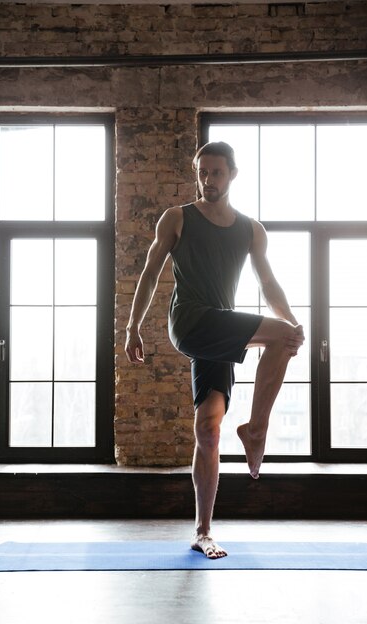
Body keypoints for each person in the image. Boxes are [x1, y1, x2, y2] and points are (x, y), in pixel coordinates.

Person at [125, 141, 304, 559]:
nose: (208, 180)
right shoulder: (178, 219)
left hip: (221, 331)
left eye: (216, 172)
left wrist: (292, 320)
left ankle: (203, 531)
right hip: (190, 322)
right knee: (280, 336)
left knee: (208, 428)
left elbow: (268, 283)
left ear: (232, 175)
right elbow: (151, 272)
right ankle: (257, 429)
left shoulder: (250, 229)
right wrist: (132, 326)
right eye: (202, 172)